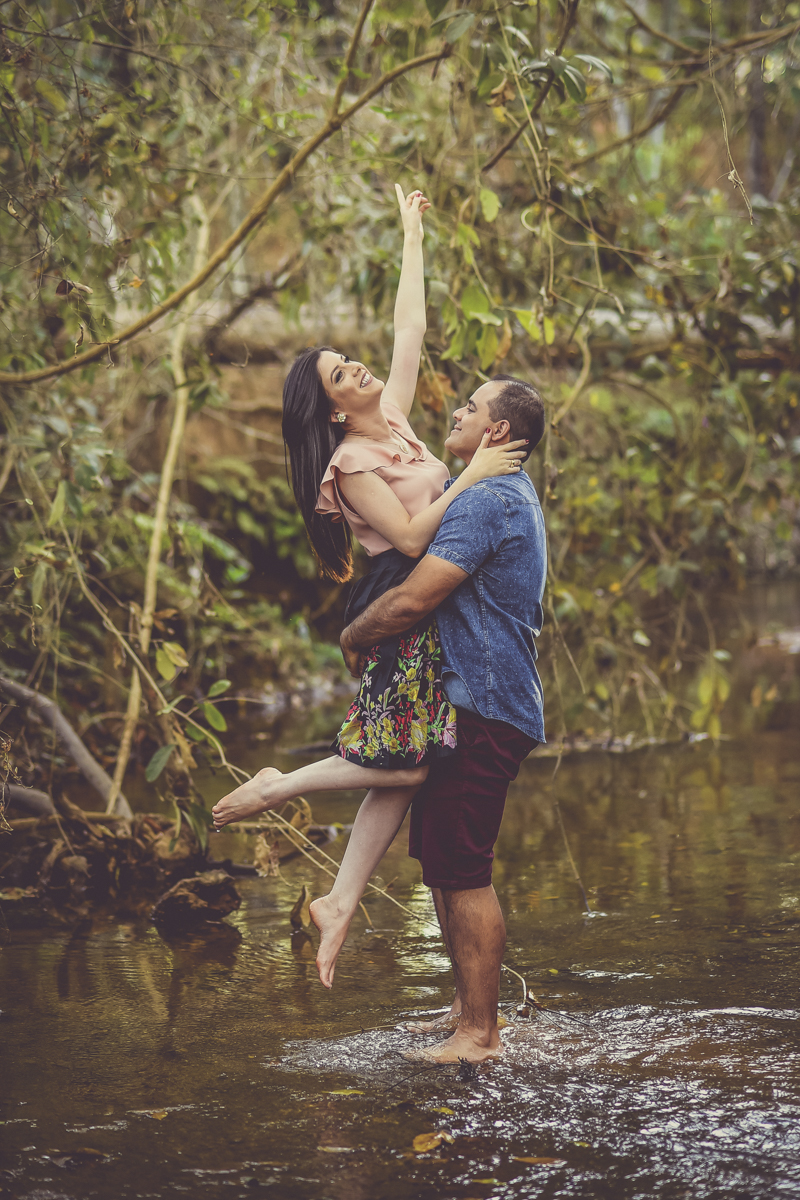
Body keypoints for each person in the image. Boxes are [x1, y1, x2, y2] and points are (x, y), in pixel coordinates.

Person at [211, 185, 527, 986]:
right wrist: (476, 472)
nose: (354, 367)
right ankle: (284, 784)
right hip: (394, 604)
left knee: (405, 758)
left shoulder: (396, 417)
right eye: (337, 374)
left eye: (346, 361)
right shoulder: (349, 464)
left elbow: (408, 328)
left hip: (424, 607)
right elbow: (415, 538)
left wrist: (411, 233)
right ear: (330, 407)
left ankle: (342, 901)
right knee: (408, 765)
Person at [339, 374, 547, 1063]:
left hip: (484, 706)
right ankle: (465, 1009)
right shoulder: (495, 491)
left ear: (493, 433)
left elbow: (412, 601)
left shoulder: (485, 499)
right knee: (443, 864)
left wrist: (353, 637)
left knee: (464, 870)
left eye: (469, 407)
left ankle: (480, 1035)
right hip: (469, 705)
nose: (454, 412)